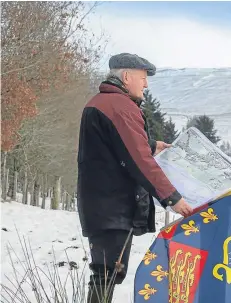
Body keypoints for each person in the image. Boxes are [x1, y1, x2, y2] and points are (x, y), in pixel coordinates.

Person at [76, 52, 193, 303]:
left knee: (105, 273)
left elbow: (116, 148)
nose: (146, 84)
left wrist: (151, 145)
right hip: (112, 208)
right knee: (107, 274)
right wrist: (173, 198)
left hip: (102, 205)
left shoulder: (102, 103)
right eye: (143, 77)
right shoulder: (120, 107)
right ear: (126, 77)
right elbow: (140, 160)